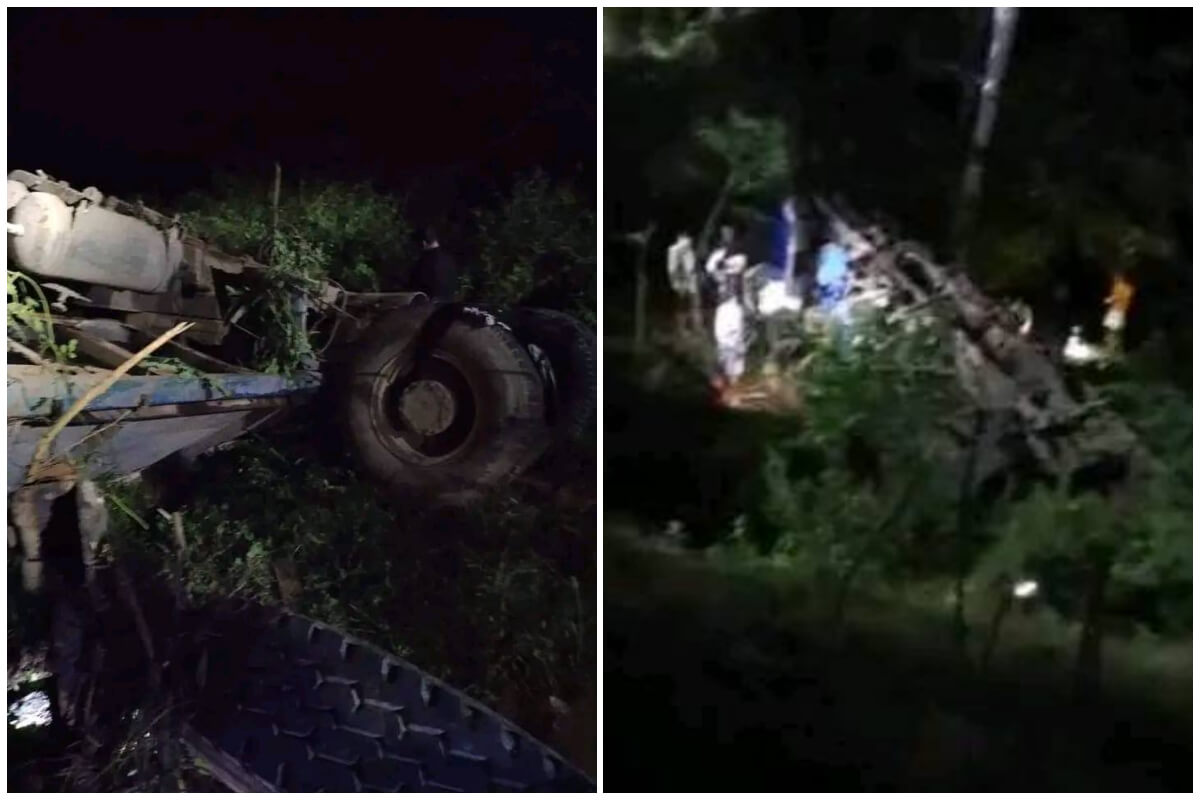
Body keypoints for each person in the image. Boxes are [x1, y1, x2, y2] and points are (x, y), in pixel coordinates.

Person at [713, 273, 748, 402]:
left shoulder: (722, 308)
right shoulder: (735, 309)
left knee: (724, 369)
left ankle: (724, 396)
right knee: (733, 372)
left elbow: (718, 329)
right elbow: (739, 329)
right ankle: (731, 397)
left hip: (724, 343)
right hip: (732, 343)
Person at [410, 227, 459, 302]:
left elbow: (415, 287)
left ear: (423, 243)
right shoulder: (449, 259)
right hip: (449, 307)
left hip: (429, 309)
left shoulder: (423, 263)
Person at [666, 232, 702, 334]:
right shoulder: (674, 250)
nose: (689, 241)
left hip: (692, 282)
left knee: (694, 304)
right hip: (681, 283)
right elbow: (672, 269)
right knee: (682, 307)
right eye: (686, 239)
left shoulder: (689, 250)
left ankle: (696, 326)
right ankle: (682, 329)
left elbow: (692, 266)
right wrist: (678, 283)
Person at [1102, 270, 1134, 355]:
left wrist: (1108, 300)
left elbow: (1116, 297)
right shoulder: (1129, 288)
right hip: (1120, 310)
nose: (1114, 279)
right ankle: (1113, 346)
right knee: (1114, 329)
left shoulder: (1119, 287)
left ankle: (1111, 347)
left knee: (1112, 329)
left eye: (1116, 278)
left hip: (1117, 310)